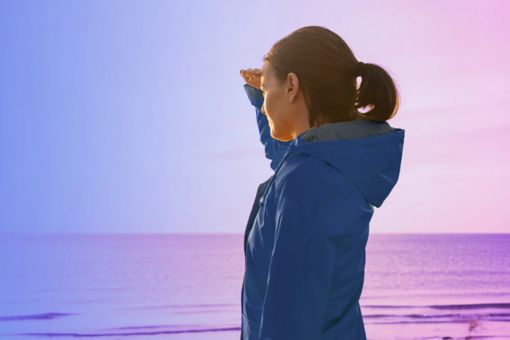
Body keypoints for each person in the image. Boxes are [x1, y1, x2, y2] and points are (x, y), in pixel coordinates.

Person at [238, 25, 405, 340]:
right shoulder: (326, 167)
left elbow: (289, 325)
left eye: (268, 89)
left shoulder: (306, 182)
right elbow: (287, 158)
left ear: (291, 86)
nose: (264, 104)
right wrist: (260, 94)